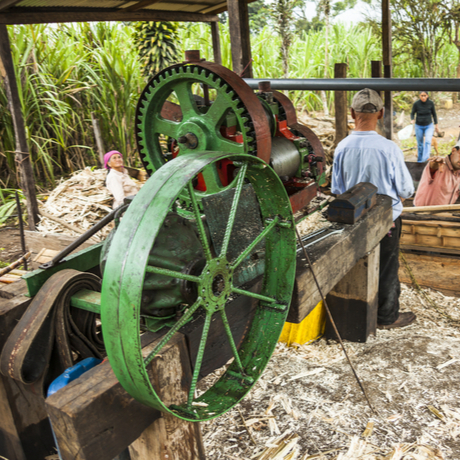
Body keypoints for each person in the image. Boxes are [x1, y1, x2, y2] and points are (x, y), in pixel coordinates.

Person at [332, 88, 416, 330]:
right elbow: (406, 189)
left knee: (355, 265)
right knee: (387, 267)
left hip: (352, 219)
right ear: (381, 113)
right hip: (385, 220)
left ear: (352, 113)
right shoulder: (388, 148)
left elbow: (337, 189)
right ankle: (386, 317)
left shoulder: (342, 147)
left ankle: (354, 315)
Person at [413, 142, 460, 207]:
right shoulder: (440, 164)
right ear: (453, 151)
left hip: (444, 212)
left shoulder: (458, 171)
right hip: (423, 211)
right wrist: (435, 162)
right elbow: (433, 165)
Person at [410, 91, 439, 162]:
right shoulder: (416, 104)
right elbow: (412, 113)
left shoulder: (431, 103)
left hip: (429, 125)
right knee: (420, 144)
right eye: (422, 95)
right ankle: (420, 160)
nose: (423, 97)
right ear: (419, 96)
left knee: (428, 142)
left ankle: (425, 160)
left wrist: (436, 125)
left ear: (427, 96)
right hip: (418, 126)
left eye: (425, 95)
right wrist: (412, 119)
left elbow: (434, 114)